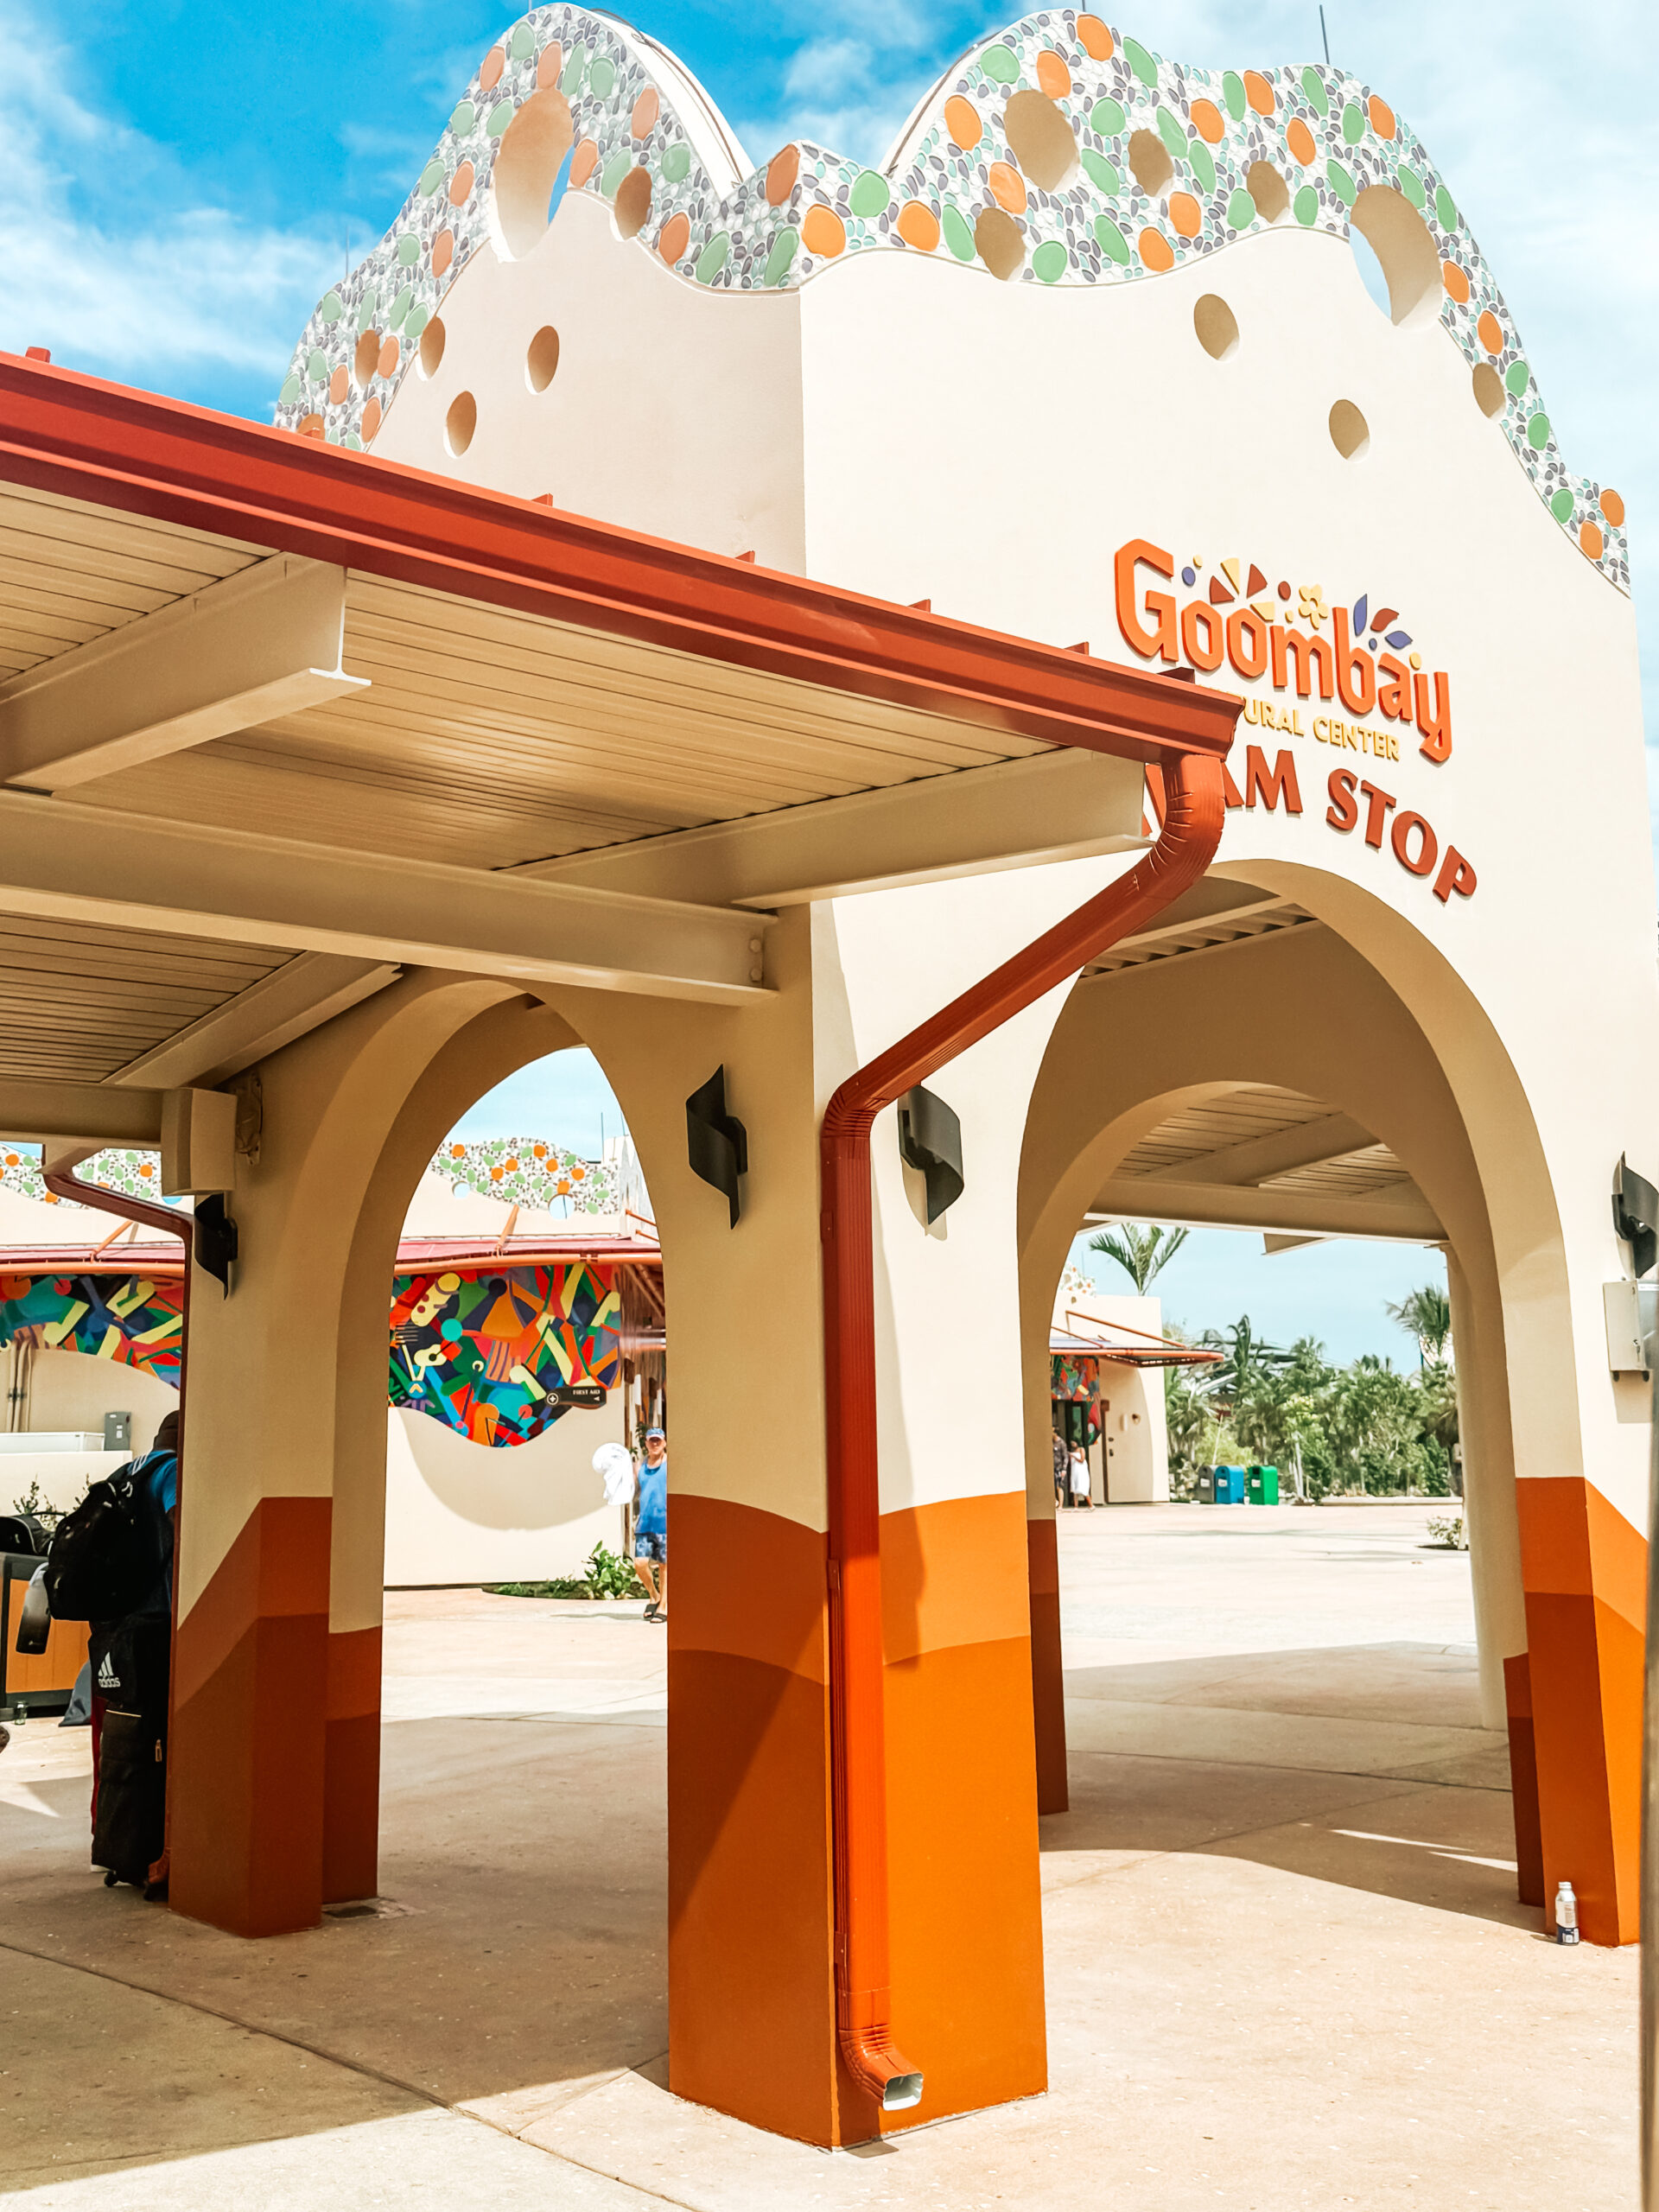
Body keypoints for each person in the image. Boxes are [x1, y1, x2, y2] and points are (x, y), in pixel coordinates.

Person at [633, 1427, 668, 1623]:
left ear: (664, 1442)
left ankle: (664, 1605)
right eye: (651, 1441)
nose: (655, 1444)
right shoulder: (639, 1467)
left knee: (664, 1566)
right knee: (640, 1564)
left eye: (658, 1441)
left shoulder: (670, 1464)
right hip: (645, 1523)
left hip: (665, 1523)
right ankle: (654, 1595)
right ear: (646, 1443)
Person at [1069, 1441, 1091, 1510]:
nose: (1073, 1444)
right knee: (1075, 1489)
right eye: (1072, 1443)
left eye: (1074, 1443)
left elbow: (1082, 1460)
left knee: (1082, 1488)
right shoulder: (1072, 1452)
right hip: (1074, 1471)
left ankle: (1091, 1505)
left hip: (1081, 1471)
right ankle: (1076, 1507)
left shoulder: (1081, 1449)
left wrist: (1073, 1456)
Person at [1052, 1428, 1068, 1509]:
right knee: (1051, 1486)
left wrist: (1064, 1468)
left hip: (1059, 1467)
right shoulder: (1051, 1442)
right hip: (1052, 1467)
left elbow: (1065, 1456)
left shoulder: (1061, 1443)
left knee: (1059, 1486)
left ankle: (1061, 1505)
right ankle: (1055, 1501)